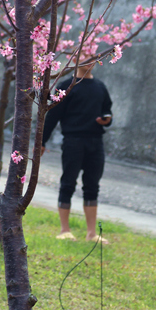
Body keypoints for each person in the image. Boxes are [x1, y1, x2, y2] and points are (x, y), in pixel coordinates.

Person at [41, 61, 112, 243]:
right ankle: (64, 230)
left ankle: (91, 233)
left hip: (96, 142)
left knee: (92, 186)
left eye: (93, 55)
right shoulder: (66, 86)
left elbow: (107, 111)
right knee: (68, 183)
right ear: (76, 59)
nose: (89, 60)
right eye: (85, 55)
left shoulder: (100, 86)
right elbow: (52, 116)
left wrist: (106, 120)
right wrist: (41, 141)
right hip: (73, 142)